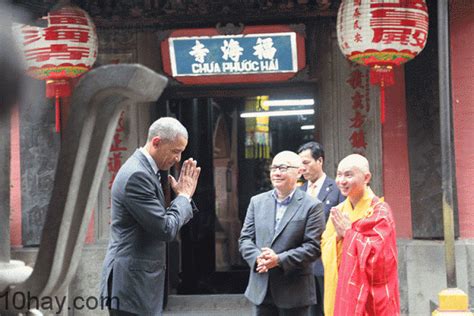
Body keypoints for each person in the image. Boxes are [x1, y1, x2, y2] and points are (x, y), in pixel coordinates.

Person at [100, 117, 201, 316]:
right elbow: (165, 228)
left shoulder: (146, 170)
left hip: (137, 285)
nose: (178, 159)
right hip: (131, 287)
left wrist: (183, 199)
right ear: (156, 142)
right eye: (175, 151)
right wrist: (184, 197)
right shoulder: (137, 175)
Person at [239, 151, 326, 316]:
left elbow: (313, 247)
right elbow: (245, 239)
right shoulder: (256, 202)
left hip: (294, 291)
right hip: (261, 288)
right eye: (274, 168)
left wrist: (278, 260)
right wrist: (258, 258)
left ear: (299, 171)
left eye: (283, 168)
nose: (277, 173)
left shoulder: (312, 206)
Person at [321, 154, 400, 316]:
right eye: (339, 174)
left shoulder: (380, 211)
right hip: (342, 289)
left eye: (348, 175)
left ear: (366, 177)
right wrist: (338, 238)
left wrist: (349, 235)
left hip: (371, 297)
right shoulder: (338, 211)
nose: (341, 181)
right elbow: (325, 246)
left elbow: (381, 258)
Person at [297, 142, 344, 316]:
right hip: (302, 264)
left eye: (306, 162)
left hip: (327, 263)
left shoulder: (337, 189)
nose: (302, 168)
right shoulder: (298, 192)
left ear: (320, 161)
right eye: (300, 163)